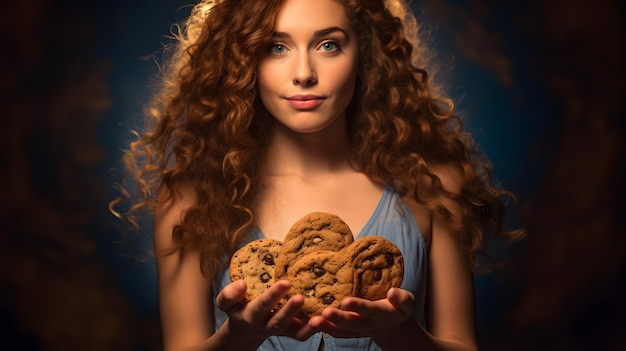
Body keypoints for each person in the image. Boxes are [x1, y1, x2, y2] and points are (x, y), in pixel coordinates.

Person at [112, 0, 521, 350]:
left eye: (328, 45)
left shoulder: (432, 186)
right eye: (276, 47)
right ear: (241, 59)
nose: (304, 72)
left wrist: (402, 335)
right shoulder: (191, 200)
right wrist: (238, 338)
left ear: (365, 54)